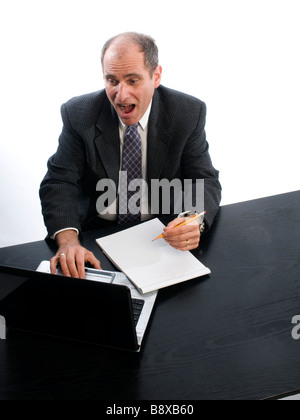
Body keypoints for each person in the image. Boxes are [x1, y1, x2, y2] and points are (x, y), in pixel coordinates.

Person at [40, 32, 222, 279]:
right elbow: (59, 182)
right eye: (112, 81)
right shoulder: (78, 114)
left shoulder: (187, 112)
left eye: (133, 80)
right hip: (98, 239)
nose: (121, 95)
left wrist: (192, 220)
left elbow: (204, 178)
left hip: (162, 237)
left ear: (156, 76)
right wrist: (68, 240)